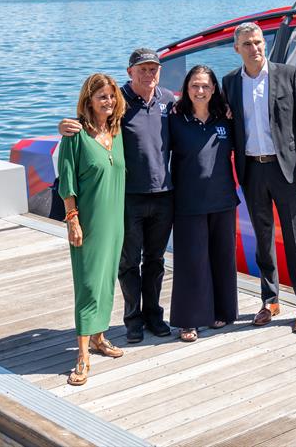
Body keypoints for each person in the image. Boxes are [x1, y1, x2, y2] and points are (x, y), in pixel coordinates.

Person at [60, 48, 174, 343]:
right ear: (130, 72)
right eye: (142, 69)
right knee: (127, 262)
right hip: (128, 198)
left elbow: (198, 111)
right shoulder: (119, 101)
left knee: (155, 260)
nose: (149, 74)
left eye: (153, 69)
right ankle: (132, 319)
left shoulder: (169, 101)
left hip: (163, 194)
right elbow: (92, 120)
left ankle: (153, 314)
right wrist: (65, 126)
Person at [222, 22, 296, 333]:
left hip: (286, 169)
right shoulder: (230, 83)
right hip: (251, 169)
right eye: (248, 44)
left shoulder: (289, 75)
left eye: (259, 42)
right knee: (262, 239)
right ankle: (270, 300)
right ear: (237, 49)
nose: (255, 49)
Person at [58, 73, 126, 386]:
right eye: (102, 97)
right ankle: (83, 354)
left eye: (111, 96)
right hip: (88, 221)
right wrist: (72, 218)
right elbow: (67, 181)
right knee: (87, 283)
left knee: (107, 279)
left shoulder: (116, 130)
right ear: (89, 101)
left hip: (115, 221)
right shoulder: (75, 135)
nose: (108, 102)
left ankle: (100, 337)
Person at [169, 65, 239, 342]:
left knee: (222, 259)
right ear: (186, 89)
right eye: (195, 86)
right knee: (191, 262)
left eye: (206, 86)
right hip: (188, 202)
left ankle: (222, 312)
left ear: (214, 90)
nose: (200, 91)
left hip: (222, 200)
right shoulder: (175, 120)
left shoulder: (226, 120)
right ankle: (189, 320)